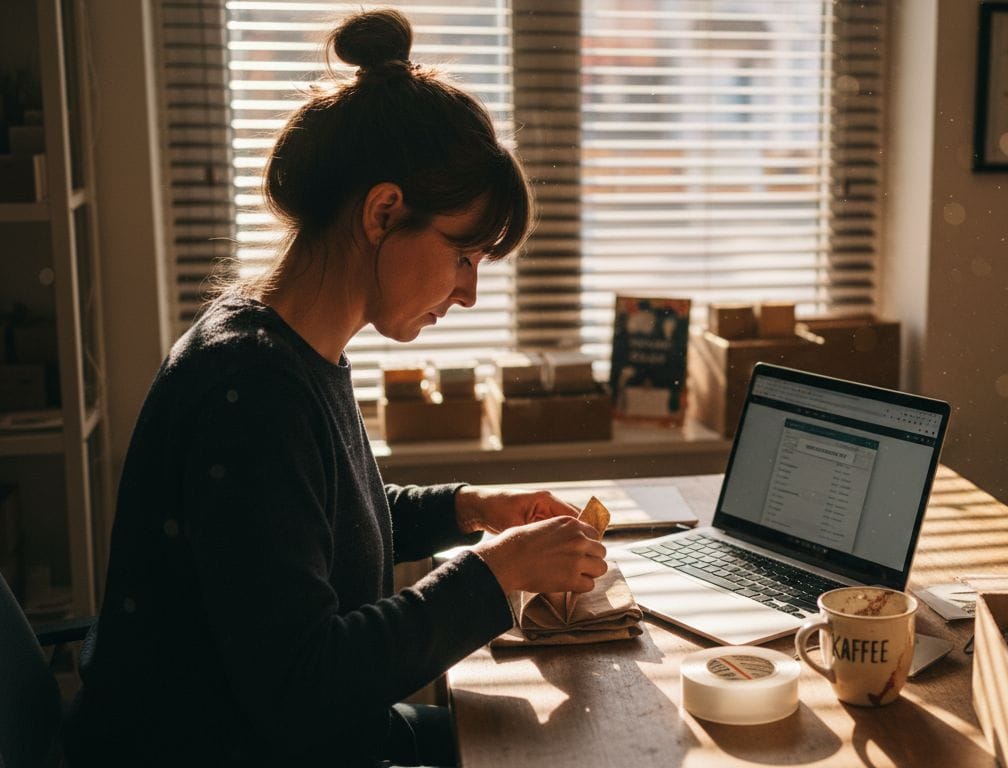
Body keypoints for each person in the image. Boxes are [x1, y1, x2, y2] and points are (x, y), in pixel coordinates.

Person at [61, 9, 607, 767]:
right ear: (383, 212)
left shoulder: (286, 347)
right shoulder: (251, 393)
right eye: (463, 255)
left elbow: (312, 526)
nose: (469, 292)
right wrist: (496, 573)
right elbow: (305, 683)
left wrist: (472, 509)